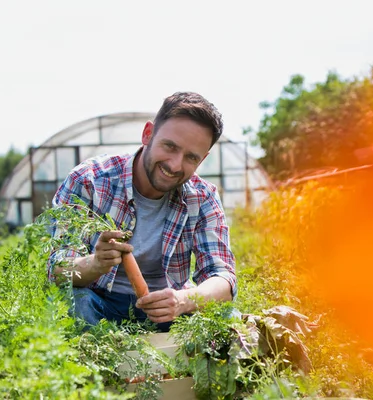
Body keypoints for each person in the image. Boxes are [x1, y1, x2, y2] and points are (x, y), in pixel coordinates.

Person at [47, 92, 237, 331]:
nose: (175, 165)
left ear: (202, 160)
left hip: (168, 310)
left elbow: (223, 277)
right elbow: (57, 270)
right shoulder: (89, 180)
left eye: (191, 157)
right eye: (170, 146)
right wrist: (95, 264)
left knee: (228, 316)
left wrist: (183, 301)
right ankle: (101, 366)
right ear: (148, 134)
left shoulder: (203, 196)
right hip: (100, 303)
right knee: (72, 303)